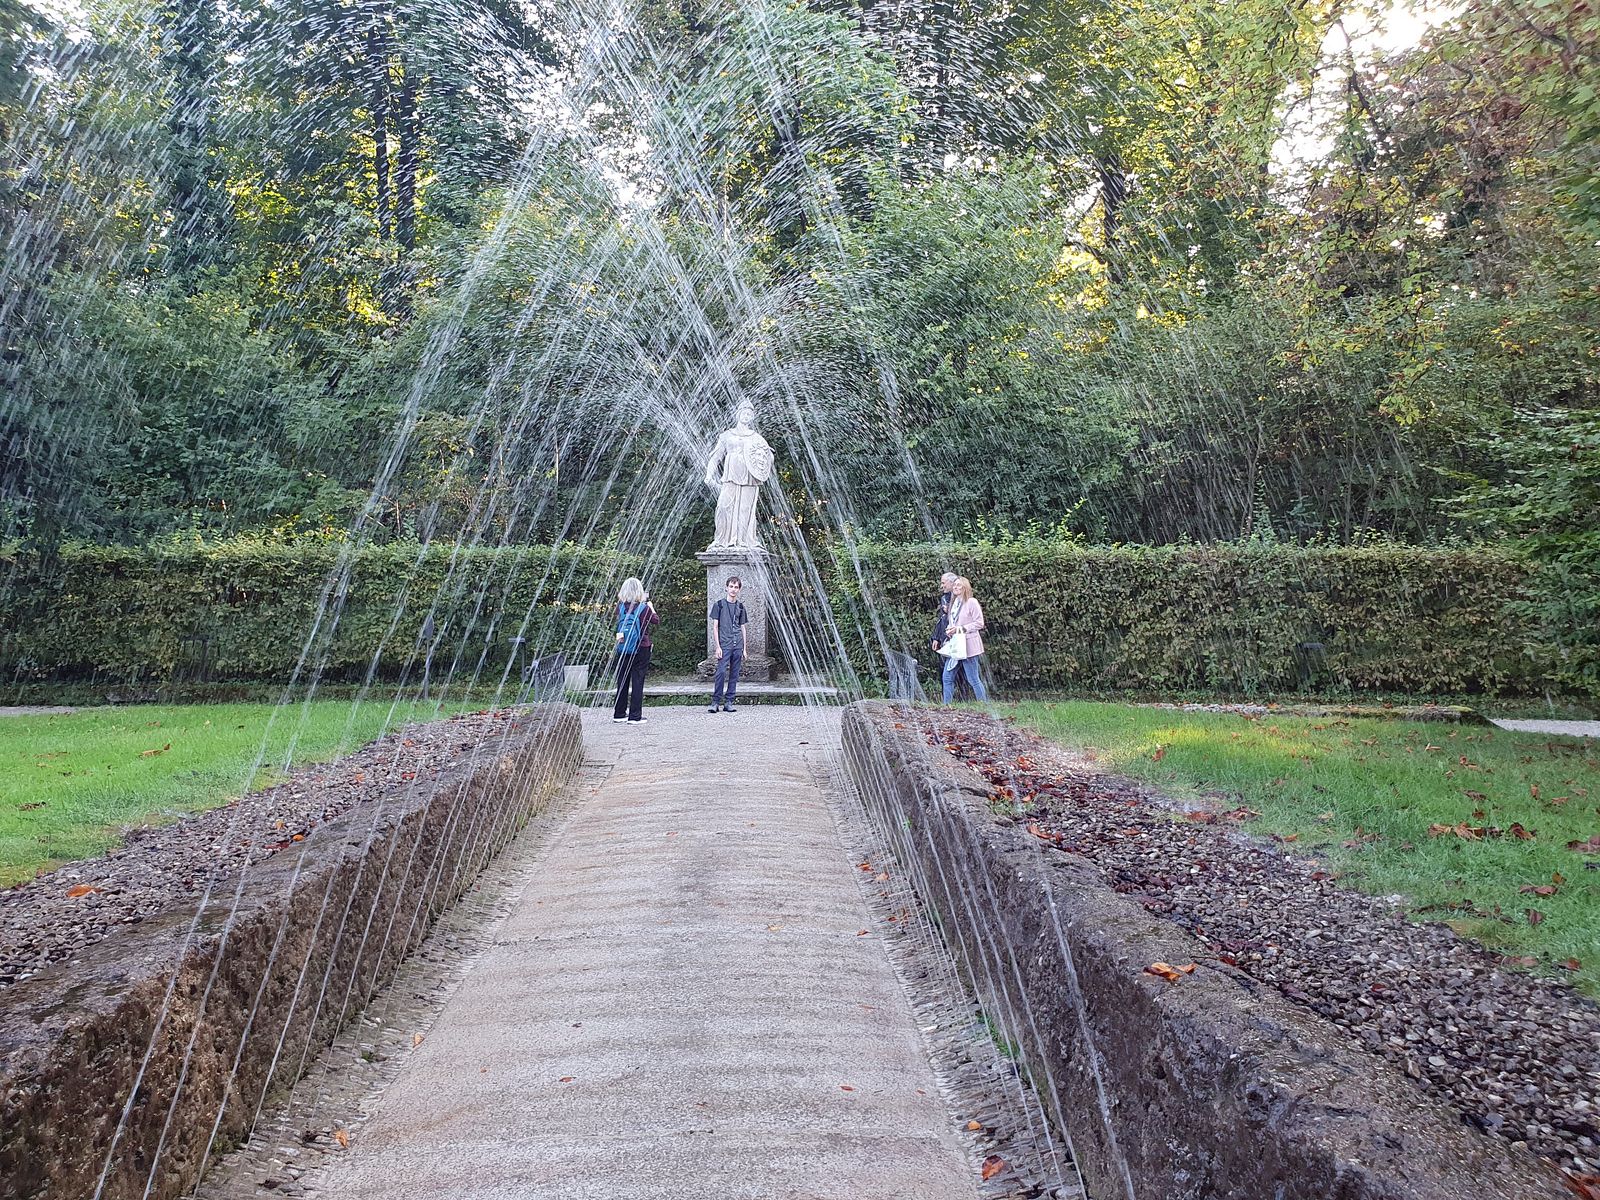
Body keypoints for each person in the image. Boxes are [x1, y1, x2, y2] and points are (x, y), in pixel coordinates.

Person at [612, 577, 659, 724]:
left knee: (622, 679)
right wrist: (651, 607)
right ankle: (635, 716)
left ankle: (619, 713)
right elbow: (656, 620)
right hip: (641, 647)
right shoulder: (643, 608)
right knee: (637, 680)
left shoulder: (619, 606)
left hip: (623, 646)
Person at [940, 576, 989, 704]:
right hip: (956, 646)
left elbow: (979, 623)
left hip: (968, 646)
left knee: (973, 678)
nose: (955, 587)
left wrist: (960, 629)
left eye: (959, 585)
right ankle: (947, 706)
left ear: (965, 588)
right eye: (955, 585)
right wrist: (950, 630)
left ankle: (983, 704)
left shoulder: (971, 602)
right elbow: (953, 623)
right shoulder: (954, 603)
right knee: (947, 677)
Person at [707, 575, 748, 713]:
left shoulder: (741, 607)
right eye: (731, 586)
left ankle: (729, 701)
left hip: (737, 644)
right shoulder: (719, 605)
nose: (733, 589)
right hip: (724, 644)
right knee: (721, 672)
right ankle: (715, 702)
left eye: (736, 587)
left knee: (734, 674)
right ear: (726, 587)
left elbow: (742, 627)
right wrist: (717, 646)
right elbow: (715, 627)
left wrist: (745, 648)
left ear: (739, 589)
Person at [930, 571, 957, 654]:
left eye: (943, 583)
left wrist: (950, 610)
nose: (941, 586)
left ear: (952, 583)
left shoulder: (961, 598)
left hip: (957, 640)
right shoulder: (944, 598)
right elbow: (941, 619)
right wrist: (936, 638)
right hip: (945, 640)